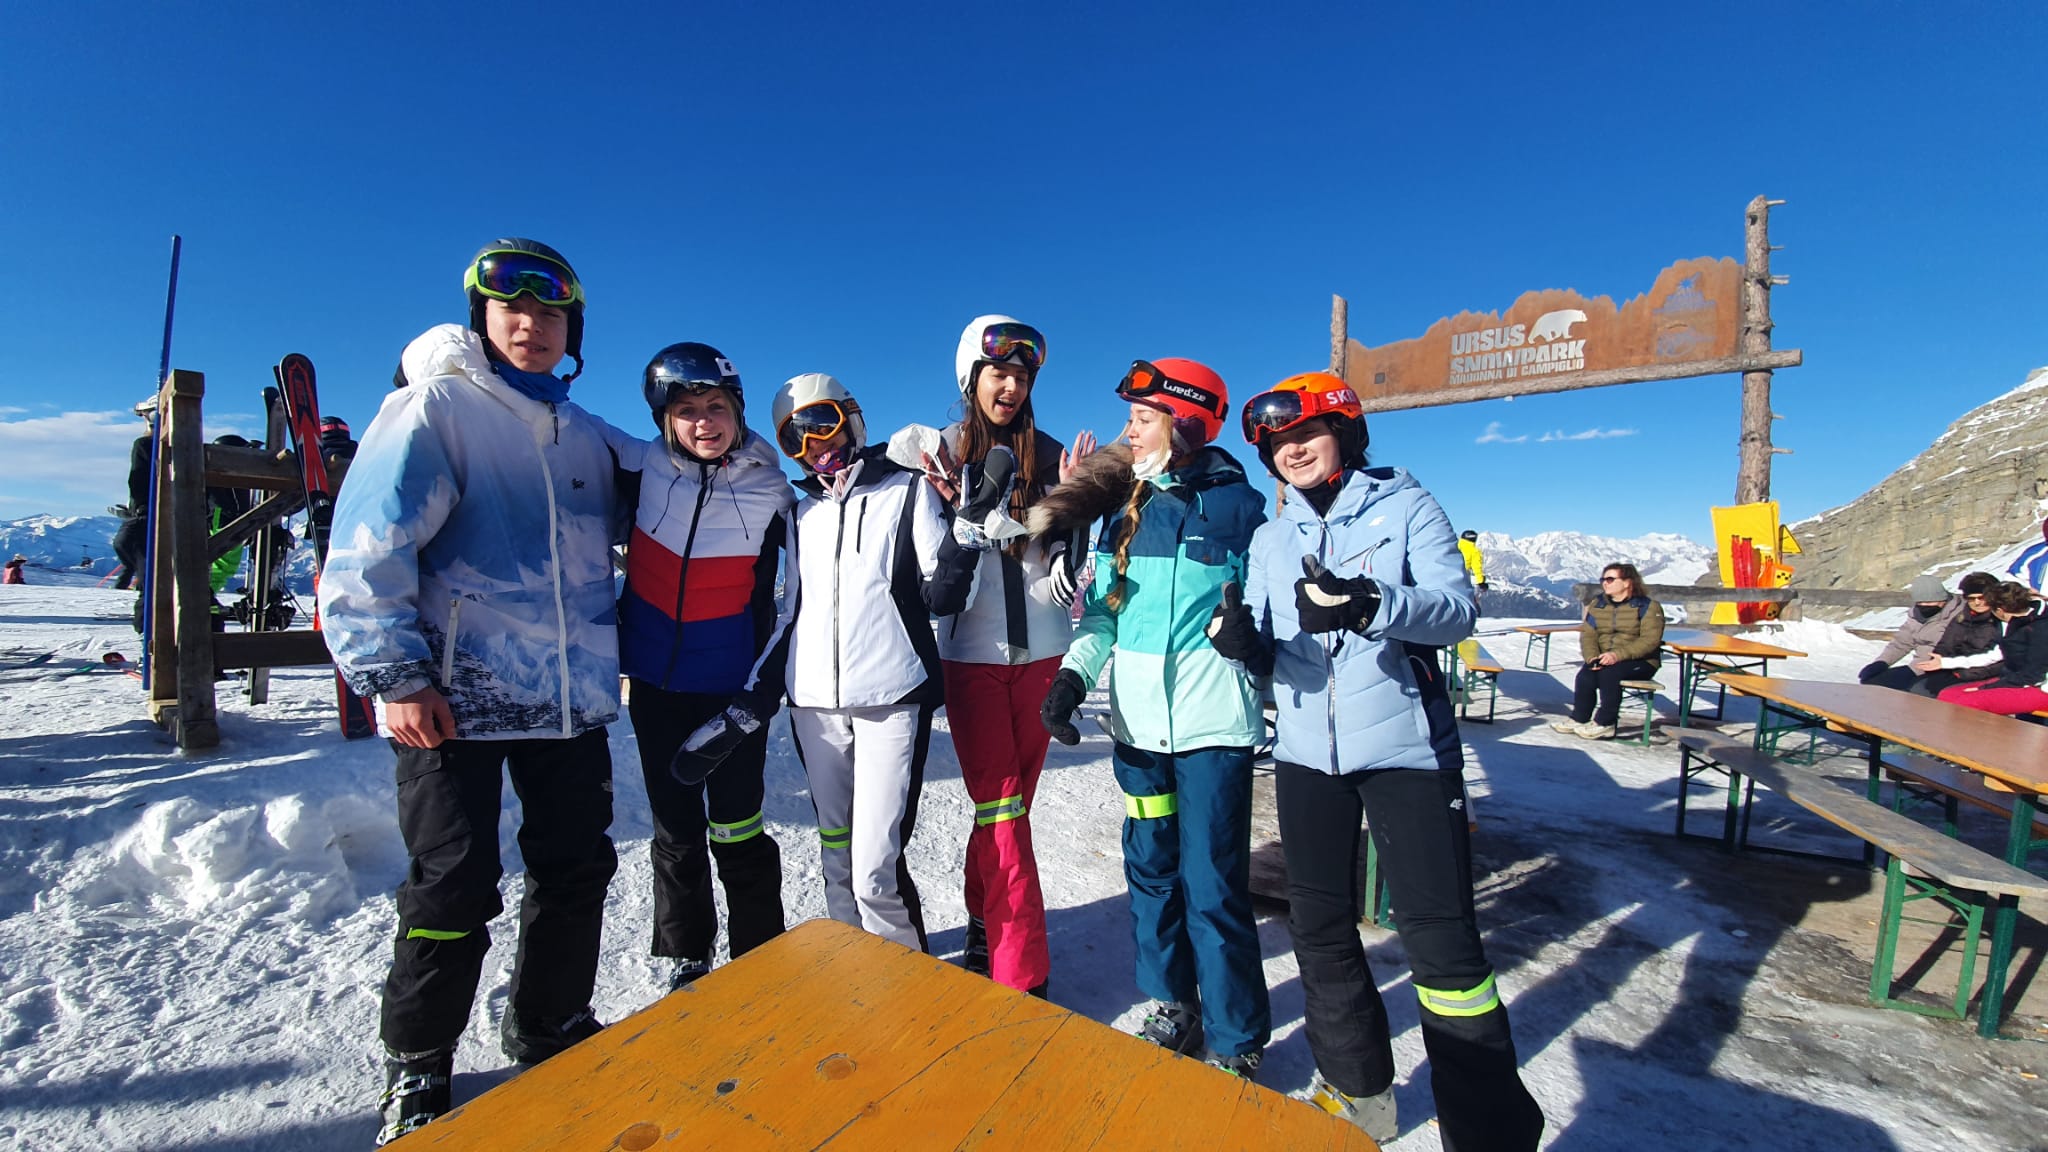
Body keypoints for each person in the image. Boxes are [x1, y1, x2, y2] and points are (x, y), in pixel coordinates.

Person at [320, 239, 623, 1145]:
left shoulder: (585, 432)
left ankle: (549, 1020)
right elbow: (366, 550)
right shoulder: (438, 408)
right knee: (453, 883)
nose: (531, 324)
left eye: (551, 311)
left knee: (576, 868)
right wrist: (395, 675)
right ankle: (419, 1060)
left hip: (567, 699)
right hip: (454, 698)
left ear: (573, 329)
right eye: (511, 308)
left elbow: (683, 469)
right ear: (482, 319)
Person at [1204, 371, 1544, 1148]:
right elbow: (1270, 646)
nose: (1292, 451)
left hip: (1406, 752)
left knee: (1442, 943)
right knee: (1319, 926)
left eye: (1306, 433)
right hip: (1304, 755)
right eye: (1278, 443)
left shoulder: (1407, 506)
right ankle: (1359, 1093)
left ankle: (1488, 1131)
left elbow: (1457, 611)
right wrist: (1245, 646)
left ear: (1346, 433)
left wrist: (1371, 604)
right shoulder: (1271, 539)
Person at [1031, 358, 1272, 1078]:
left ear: (1186, 421)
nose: (1128, 433)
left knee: (1213, 884)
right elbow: (1104, 617)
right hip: (1138, 733)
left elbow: (1270, 621)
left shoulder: (1244, 511)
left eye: (1142, 419)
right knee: (1152, 872)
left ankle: (1235, 1039)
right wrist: (1072, 678)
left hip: (1212, 732)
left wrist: (1252, 643)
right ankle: (1174, 1004)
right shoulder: (1125, 511)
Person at [729, 372, 980, 953]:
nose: (814, 444)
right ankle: (851, 967)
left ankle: (904, 978)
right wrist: (762, 687)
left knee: (874, 870)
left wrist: (963, 542)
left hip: (890, 699)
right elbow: (791, 610)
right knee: (835, 859)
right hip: (813, 704)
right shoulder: (799, 516)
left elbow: (941, 596)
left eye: (824, 423)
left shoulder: (906, 491)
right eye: (795, 437)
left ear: (853, 418)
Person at [613, 342, 794, 991]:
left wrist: (759, 695)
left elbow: (795, 597)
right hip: (656, 689)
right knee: (676, 830)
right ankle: (687, 954)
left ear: (737, 410)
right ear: (664, 419)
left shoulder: (772, 492)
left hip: (729, 691)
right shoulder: (637, 469)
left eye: (715, 406)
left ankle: (760, 954)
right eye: (686, 410)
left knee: (738, 827)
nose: (703, 422)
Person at [929, 316, 1091, 997]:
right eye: (999, 373)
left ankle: (981, 916)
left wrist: (1077, 509)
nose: (1012, 387)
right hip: (971, 655)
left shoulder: (1051, 456)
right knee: (1000, 808)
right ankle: (1020, 969)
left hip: (1042, 653)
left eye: (1022, 376)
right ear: (971, 376)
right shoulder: (939, 456)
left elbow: (1067, 560)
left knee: (1008, 810)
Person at [1550, 563, 1665, 739]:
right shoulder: (1598, 604)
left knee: (1610, 674)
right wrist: (1592, 657)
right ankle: (1579, 718)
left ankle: (1605, 722)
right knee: (1586, 675)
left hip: (1641, 661)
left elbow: (1650, 641)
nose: (1605, 583)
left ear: (1627, 582)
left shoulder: (1648, 607)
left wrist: (1617, 655)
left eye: (1610, 579)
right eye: (1603, 579)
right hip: (1605, 657)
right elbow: (1589, 635)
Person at [1857, 572, 2002, 696]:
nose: (1925, 607)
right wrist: (1882, 662)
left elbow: (1952, 648)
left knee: (1914, 692)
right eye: (1921, 603)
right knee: (1873, 683)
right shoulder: (1917, 614)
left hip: (1942, 667)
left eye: (1931, 602)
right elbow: (1903, 641)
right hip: (1930, 666)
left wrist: (1928, 669)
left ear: (1943, 600)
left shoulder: (1958, 614)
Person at [1936, 581, 2046, 715]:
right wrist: (1945, 662)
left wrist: (1988, 688)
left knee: (1967, 702)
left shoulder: (2040, 628)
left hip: (2040, 688)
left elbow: (2034, 675)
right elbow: (1997, 654)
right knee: (1948, 695)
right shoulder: (2016, 623)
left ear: (1999, 610)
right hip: (2017, 680)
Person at [110, 399, 155, 591]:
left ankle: (146, 600)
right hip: (177, 518)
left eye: (146, 416)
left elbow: (138, 480)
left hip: (148, 518)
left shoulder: (145, 444)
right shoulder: (189, 448)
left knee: (130, 545)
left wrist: (139, 508)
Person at [1458, 529, 1488, 593]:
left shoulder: (1455, 545)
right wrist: (1481, 582)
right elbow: (1477, 567)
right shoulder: (1474, 551)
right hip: (1462, 574)